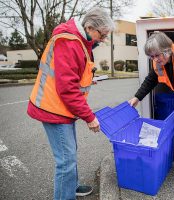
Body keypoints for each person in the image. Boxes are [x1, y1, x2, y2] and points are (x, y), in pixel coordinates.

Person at [27, 7, 114, 199]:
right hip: (53, 109)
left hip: (61, 108)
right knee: (66, 160)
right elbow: (67, 88)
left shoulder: (79, 40)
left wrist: (87, 79)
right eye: (103, 34)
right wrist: (89, 118)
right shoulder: (69, 42)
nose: (103, 39)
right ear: (90, 27)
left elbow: (72, 75)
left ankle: (71, 186)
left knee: (70, 153)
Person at [128, 31, 174, 161]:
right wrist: (137, 97)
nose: (155, 60)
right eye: (152, 57)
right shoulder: (159, 62)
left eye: (157, 55)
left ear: (167, 50)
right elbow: (150, 80)